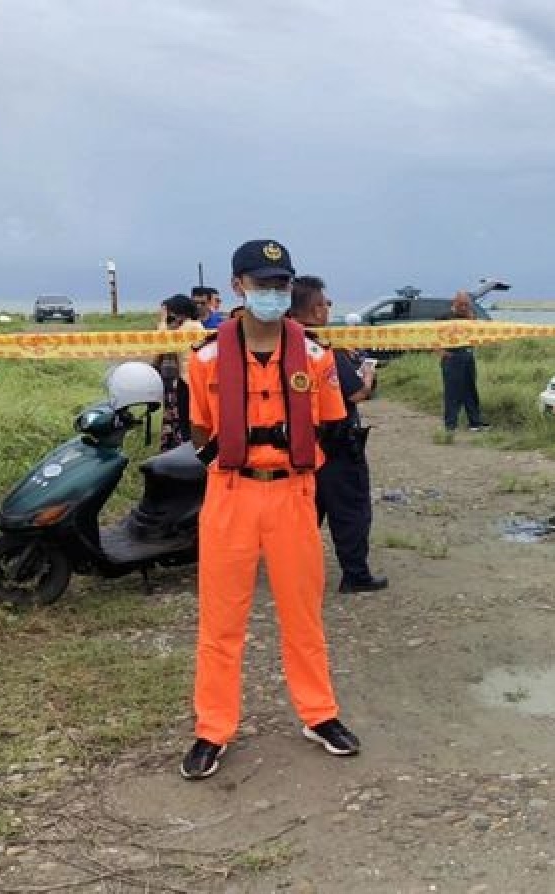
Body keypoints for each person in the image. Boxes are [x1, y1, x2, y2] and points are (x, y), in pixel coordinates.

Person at [182, 239, 361, 780]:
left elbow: (331, 420)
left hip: (293, 495)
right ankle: (213, 728)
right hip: (231, 495)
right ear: (238, 286)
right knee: (221, 621)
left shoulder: (315, 355)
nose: (273, 294)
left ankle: (318, 713)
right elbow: (199, 430)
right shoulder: (207, 357)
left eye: (281, 285)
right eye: (262, 285)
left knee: (302, 615)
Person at [289, 275, 388, 594]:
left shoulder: (280, 342)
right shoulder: (321, 347)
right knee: (350, 509)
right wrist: (369, 374)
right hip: (336, 440)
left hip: (295, 442)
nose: (329, 310)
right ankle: (355, 574)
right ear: (317, 310)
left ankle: (294, 573)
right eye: (326, 303)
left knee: (305, 513)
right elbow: (356, 392)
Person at [154, 293, 205, 451]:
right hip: (189, 379)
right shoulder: (190, 326)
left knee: (187, 421)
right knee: (187, 419)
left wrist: (163, 321)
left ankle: (189, 451)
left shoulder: (189, 327)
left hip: (190, 380)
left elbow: (162, 343)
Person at [438, 290, 488, 432]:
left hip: (467, 356)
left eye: (467, 304)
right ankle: (450, 426)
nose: (464, 307)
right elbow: (433, 337)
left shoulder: (469, 317)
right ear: (454, 303)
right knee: (452, 393)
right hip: (451, 358)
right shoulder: (444, 317)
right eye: (461, 304)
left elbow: (476, 333)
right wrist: (441, 352)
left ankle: (475, 422)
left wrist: (470, 317)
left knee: (470, 390)